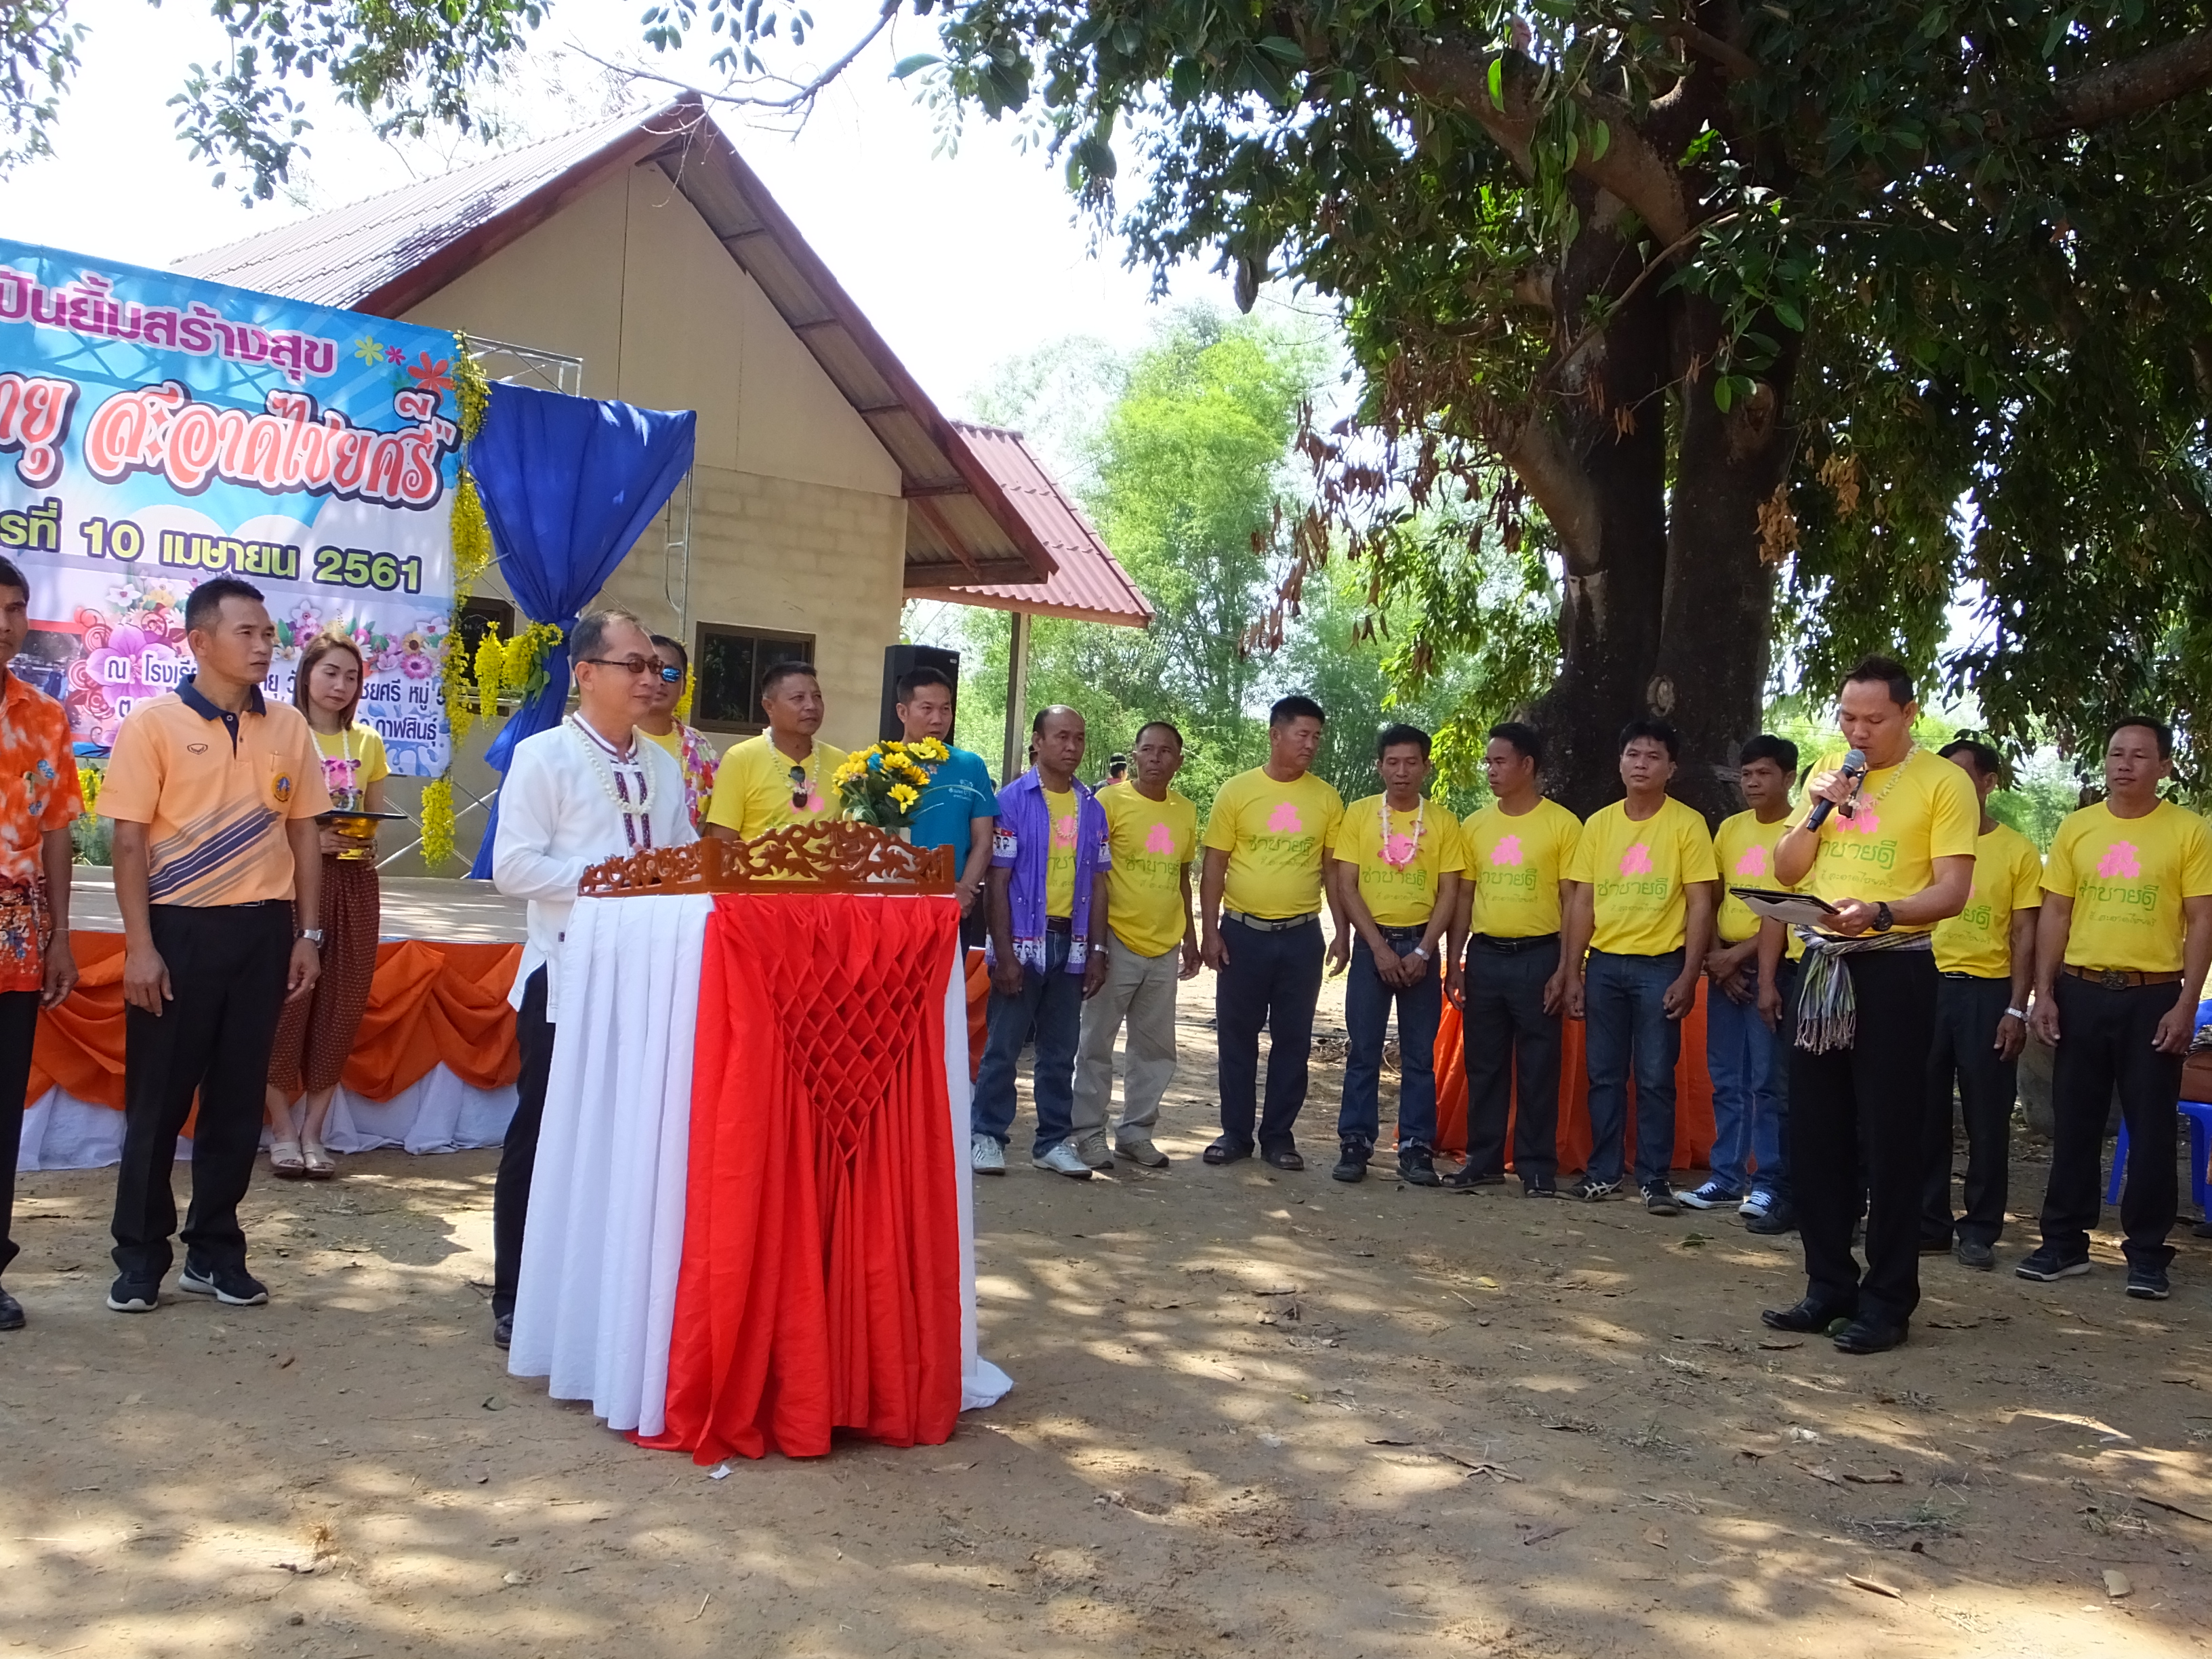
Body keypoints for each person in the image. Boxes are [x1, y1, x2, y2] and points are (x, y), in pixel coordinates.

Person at [101, 575, 331, 1315]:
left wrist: (307, 934)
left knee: (236, 1102)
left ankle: (215, 1251)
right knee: (158, 1104)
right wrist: (141, 946)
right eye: (247, 633)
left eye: (268, 633)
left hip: (264, 933)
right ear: (200, 642)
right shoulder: (154, 726)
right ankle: (139, 1258)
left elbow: (304, 833)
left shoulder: (289, 726)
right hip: (179, 930)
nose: (264, 645)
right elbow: (129, 842)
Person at [489, 607, 694, 1347]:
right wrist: (615, 881)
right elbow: (512, 866)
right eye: (634, 665)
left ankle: (605, 1291)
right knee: (543, 1133)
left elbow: (682, 858)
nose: (651, 679)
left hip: (647, 979)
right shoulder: (544, 755)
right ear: (586, 674)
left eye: (658, 668)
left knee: (631, 1136)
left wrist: (678, 881)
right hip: (567, 975)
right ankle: (517, 1293)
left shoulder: (663, 765)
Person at [1762, 656, 1977, 1356]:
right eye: (1849, 717)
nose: (1859, 732)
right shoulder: (1830, 771)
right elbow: (1787, 870)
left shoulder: (1943, 784)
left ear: (1909, 714)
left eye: (1874, 720)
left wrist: (1884, 910)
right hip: (1821, 966)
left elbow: (1952, 892)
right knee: (1816, 1133)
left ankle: (1888, 1300)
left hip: (1893, 970)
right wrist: (1819, 808)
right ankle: (1828, 1285)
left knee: (1889, 1137)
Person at [2019, 717, 2212, 1302]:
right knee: (2074, 1120)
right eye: (2115, 754)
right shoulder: (2079, 828)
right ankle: (2063, 1243)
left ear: (2164, 766)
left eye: (2139, 755)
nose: (2124, 764)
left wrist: (2186, 1003)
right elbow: (2054, 913)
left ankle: (2148, 1253)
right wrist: (2045, 992)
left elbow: (2203, 918)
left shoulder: (2190, 831)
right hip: (2080, 990)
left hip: (2154, 995)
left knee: (2152, 1126)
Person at [1561, 719, 1717, 1212]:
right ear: (1620, 762)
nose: (1641, 764)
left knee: (1655, 1077)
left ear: (1672, 768)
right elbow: (1582, 902)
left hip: (1660, 968)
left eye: (1653, 757)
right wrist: (1572, 971)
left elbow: (1699, 904)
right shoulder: (1600, 824)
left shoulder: (1687, 824)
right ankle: (1604, 1172)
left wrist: (1690, 974)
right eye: (1633, 754)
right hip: (1604, 965)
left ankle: (1655, 1180)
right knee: (1604, 1074)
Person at [1199, 695, 1348, 1170]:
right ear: (1275, 734)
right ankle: (1235, 1134)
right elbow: (1215, 865)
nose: (1310, 744)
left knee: (1293, 1039)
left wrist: (1342, 932)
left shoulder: (1325, 798)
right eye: (1302, 734)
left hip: (1301, 937)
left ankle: (1279, 1137)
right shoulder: (1237, 792)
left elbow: (1333, 871)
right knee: (1236, 1037)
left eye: (1317, 737)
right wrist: (1210, 931)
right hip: (1242, 934)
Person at [262, 632, 388, 1181]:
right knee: (286, 1006)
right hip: (291, 883)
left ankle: (313, 1131)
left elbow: (374, 820)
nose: (340, 686)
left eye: (351, 676)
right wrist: (311, 841)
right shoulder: (282, 734)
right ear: (306, 674)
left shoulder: (368, 743)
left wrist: (358, 839)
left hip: (355, 885)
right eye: (330, 673)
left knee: (341, 1005)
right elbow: (265, 816)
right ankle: (281, 1131)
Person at [973, 705, 1111, 1179]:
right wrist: (1005, 952)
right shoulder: (1012, 801)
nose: (1071, 747)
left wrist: (1097, 951)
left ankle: (1052, 1142)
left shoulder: (1093, 808)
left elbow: (1098, 883)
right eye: (1060, 738)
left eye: (1078, 738)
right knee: (1003, 1047)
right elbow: (997, 881)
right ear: (1037, 741)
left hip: (1070, 945)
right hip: (1022, 942)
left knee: (1060, 1051)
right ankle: (987, 1136)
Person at [1447, 721, 1580, 1197]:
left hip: (1539, 957)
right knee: (1484, 1064)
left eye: (1500, 761)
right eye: (1489, 762)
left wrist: (1568, 968)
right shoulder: (1476, 825)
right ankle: (1482, 1160)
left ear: (1528, 765)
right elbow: (1464, 897)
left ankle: (1536, 1167)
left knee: (1539, 1064)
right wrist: (1454, 959)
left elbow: (1573, 902)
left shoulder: (1562, 824)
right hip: (1485, 956)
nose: (1491, 770)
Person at [1922, 739, 2041, 1270]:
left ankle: (1980, 1229)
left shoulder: (2015, 850)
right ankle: (1929, 1222)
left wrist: (2018, 1007)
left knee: (1987, 1117)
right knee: (1922, 1111)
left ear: (1989, 783)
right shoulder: (1926, 839)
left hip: (1987, 992)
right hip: (1924, 984)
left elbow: (2024, 934)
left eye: (1963, 776)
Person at [0, 555, 81, 1332]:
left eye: (15, 609)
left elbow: (58, 831)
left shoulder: (46, 717)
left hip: (16, 931)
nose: (3, 623)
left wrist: (57, 936)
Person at [1332, 724, 1464, 1185]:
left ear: (1426, 766)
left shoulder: (1444, 822)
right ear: (1380, 766)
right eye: (1393, 762)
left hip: (1420, 952)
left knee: (1419, 1055)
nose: (1402, 772)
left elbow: (1450, 893)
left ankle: (1415, 1147)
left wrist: (1427, 950)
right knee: (1364, 1051)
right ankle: (1355, 1143)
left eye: (1412, 762)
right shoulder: (1359, 814)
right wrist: (1377, 948)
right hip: (1375, 949)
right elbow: (1346, 884)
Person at [1070, 720, 1199, 1170]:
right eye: (1149, 750)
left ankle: (1136, 1132)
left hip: (1164, 945)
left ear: (1178, 761)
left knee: (1156, 1048)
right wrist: (1093, 944)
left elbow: (1182, 875)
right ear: (1136, 755)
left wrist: (1191, 938)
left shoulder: (1186, 811)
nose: (1157, 758)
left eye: (1167, 751)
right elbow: (1091, 872)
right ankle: (1087, 1134)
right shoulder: (1107, 802)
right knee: (1096, 1043)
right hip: (1116, 940)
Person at [1687, 735, 1800, 1217]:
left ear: (1789, 778)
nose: (1752, 784)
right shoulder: (1730, 829)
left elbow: (1793, 910)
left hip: (1774, 968)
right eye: (1746, 775)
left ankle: (1769, 1181)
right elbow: (1712, 899)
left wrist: (1742, 959)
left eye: (1764, 774)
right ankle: (1725, 1176)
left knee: (1768, 1082)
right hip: (1726, 968)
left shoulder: (1801, 832)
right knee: (1727, 1077)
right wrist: (1717, 957)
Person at [894, 665, 996, 937]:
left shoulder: (971, 766)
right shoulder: (877, 766)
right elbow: (873, 844)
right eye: (927, 709)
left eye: (946, 709)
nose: (938, 719)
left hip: (954, 909)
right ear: (902, 712)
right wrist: (932, 890)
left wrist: (963, 890)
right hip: (896, 908)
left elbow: (984, 842)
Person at [703, 660, 846, 840]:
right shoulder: (741, 759)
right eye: (798, 698)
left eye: (817, 697)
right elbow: (721, 844)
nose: (811, 705)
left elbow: (852, 841)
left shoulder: (841, 764)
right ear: (769, 706)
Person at [638, 634, 718, 832]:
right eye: (653, 669)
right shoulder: (612, 739)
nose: (660, 681)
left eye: (671, 674)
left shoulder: (699, 748)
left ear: (684, 686)